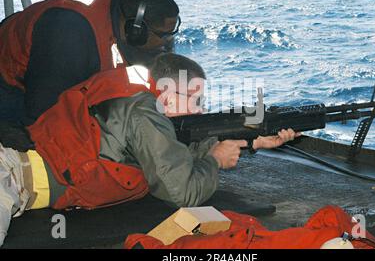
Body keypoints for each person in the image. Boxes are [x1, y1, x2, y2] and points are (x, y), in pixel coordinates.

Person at [0, 53, 300, 247]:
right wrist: (214, 161)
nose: (201, 109)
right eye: (194, 100)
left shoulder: (137, 91)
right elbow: (182, 191)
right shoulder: (144, 113)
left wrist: (255, 141)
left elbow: (173, 146)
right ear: (167, 96)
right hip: (9, 173)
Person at [0, 0, 180, 151]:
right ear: (136, 30)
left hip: (59, 58)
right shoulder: (67, 35)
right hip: (11, 78)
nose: (169, 41)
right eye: (164, 35)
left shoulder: (130, 4)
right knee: (34, 142)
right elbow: (44, 116)